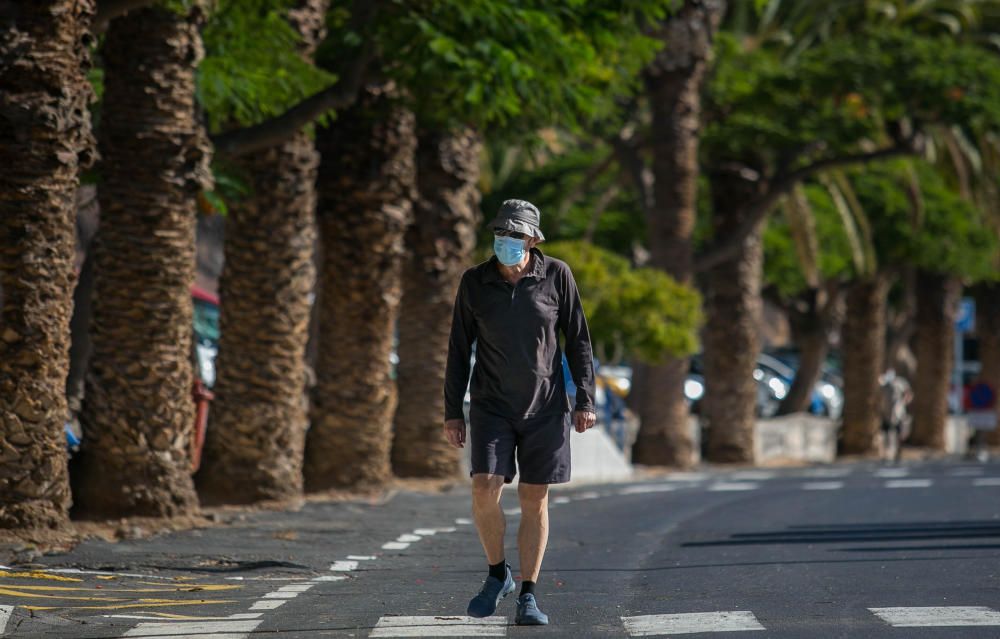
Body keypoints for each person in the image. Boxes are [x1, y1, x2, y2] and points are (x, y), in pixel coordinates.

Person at [443, 199, 597, 626]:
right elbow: (458, 349)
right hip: (491, 405)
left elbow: (578, 340)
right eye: (500, 234)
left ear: (532, 238)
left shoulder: (557, 275)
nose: (505, 241)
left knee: (534, 498)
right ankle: (498, 573)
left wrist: (585, 399)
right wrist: (452, 411)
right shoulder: (475, 282)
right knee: (483, 488)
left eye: (514, 235)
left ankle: (528, 593)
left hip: (546, 408)